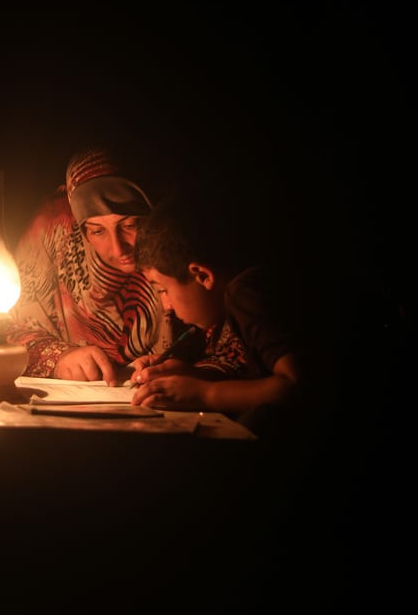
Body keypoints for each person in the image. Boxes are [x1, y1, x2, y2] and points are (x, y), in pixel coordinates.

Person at [126, 184, 308, 432]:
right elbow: (257, 378)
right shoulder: (234, 299)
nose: (166, 306)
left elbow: (297, 386)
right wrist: (196, 376)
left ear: (202, 275)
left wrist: (206, 394)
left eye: (163, 290)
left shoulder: (245, 292)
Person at [6, 146, 172, 384]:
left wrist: (190, 373)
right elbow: (6, 333)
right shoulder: (53, 235)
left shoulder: (180, 249)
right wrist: (60, 358)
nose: (118, 248)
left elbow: (228, 351)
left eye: (130, 225)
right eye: (97, 231)